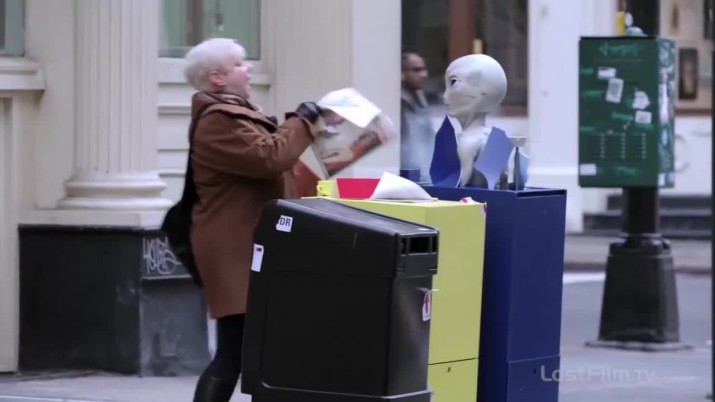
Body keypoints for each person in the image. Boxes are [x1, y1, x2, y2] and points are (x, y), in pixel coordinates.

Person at [182, 37, 322, 402]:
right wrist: (301, 122)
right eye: (240, 64)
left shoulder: (239, 115)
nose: (249, 70)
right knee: (234, 349)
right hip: (235, 248)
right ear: (217, 77)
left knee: (252, 350)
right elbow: (270, 158)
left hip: (255, 243)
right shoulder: (218, 121)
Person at [400, 52, 435, 183]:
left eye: (423, 69)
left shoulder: (419, 96)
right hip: (407, 174)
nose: (423, 74)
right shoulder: (398, 102)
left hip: (423, 174)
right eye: (416, 70)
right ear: (402, 73)